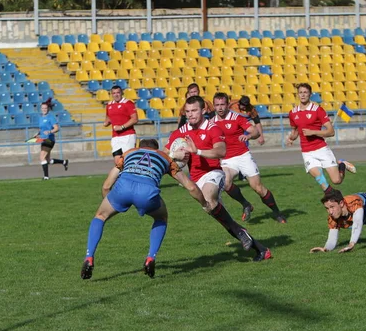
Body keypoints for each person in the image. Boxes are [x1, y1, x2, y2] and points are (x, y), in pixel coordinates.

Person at [80, 139, 209, 280]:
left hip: (123, 187)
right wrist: (205, 203)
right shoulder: (165, 158)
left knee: (100, 216)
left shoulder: (129, 153)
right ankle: (150, 257)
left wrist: (111, 203)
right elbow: (190, 187)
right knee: (161, 218)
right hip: (147, 192)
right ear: (157, 148)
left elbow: (106, 186)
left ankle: (89, 256)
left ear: (139, 147)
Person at [167, 95, 272, 262]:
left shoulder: (213, 128)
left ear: (203, 110)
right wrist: (175, 155)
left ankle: (242, 233)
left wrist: (197, 152)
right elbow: (169, 156)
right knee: (219, 216)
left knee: (209, 199)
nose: (190, 114)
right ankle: (260, 248)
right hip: (195, 179)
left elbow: (221, 151)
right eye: (187, 111)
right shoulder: (180, 133)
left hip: (214, 173)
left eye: (194, 110)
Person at [211, 92, 286, 223]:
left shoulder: (237, 118)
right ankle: (246, 204)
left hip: (243, 156)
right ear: (214, 106)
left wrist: (249, 136)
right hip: (227, 160)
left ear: (228, 104)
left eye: (222, 104)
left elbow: (255, 131)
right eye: (217, 105)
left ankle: (277, 213)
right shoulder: (211, 123)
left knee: (257, 187)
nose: (220, 108)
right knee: (226, 183)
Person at [287, 83, 356, 193]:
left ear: (310, 94)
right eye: (300, 92)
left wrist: (313, 132)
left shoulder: (318, 110)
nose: (303, 95)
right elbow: (295, 131)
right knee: (322, 181)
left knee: (337, 180)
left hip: (321, 149)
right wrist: (291, 138)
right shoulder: (292, 113)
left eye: (305, 92)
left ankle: (342, 165)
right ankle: (334, 200)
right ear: (298, 94)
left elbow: (331, 131)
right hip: (307, 152)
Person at [33, 98, 68, 180]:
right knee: (47, 160)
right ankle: (64, 162)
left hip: (49, 140)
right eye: (42, 108)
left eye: (45, 108)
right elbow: (41, 129)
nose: (44, 109)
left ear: (48, 108)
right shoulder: (41, 118)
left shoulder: (50, 117)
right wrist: (37, 134)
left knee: (42, 157)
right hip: (43, 139)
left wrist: (50, 131)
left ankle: (46, 177)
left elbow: (57, 128)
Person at [104, 85, 138, 166]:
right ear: (111, 94)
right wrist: (106, 122)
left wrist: (122, 127)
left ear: (121, 93)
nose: (116, 95)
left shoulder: (128, 103)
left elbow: (134, 119)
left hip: (128, 135)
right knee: (117, 162)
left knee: (128, 159)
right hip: (115, 136)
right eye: (114, 93)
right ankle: (122, 177)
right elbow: (108, 117)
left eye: (118, 92)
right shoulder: (109, 105)